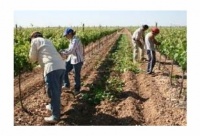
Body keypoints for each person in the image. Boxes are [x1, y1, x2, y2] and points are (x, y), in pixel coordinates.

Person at [29, 31, 65, 123]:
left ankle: (55, 116)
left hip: (52, 68)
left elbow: (32, 58)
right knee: (57, 90)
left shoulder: (35, 41)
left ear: (33, 37)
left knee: (53, 92)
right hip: (61, 66)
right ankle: (54, 105)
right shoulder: (47, 41)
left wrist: (31, 61)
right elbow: (48, 55)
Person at [60, 28, 84, 95]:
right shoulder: (72, 40)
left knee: (76, 75)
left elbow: (71, 51)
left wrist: (61, 53)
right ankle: (66, 85)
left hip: (77, 60)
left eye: (66, 35)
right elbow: (69, 49)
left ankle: (77, 89)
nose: (65, 37)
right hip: (71, 58)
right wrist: (63, 50)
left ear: (70, 34)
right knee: (64, 69)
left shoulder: (75, 40)